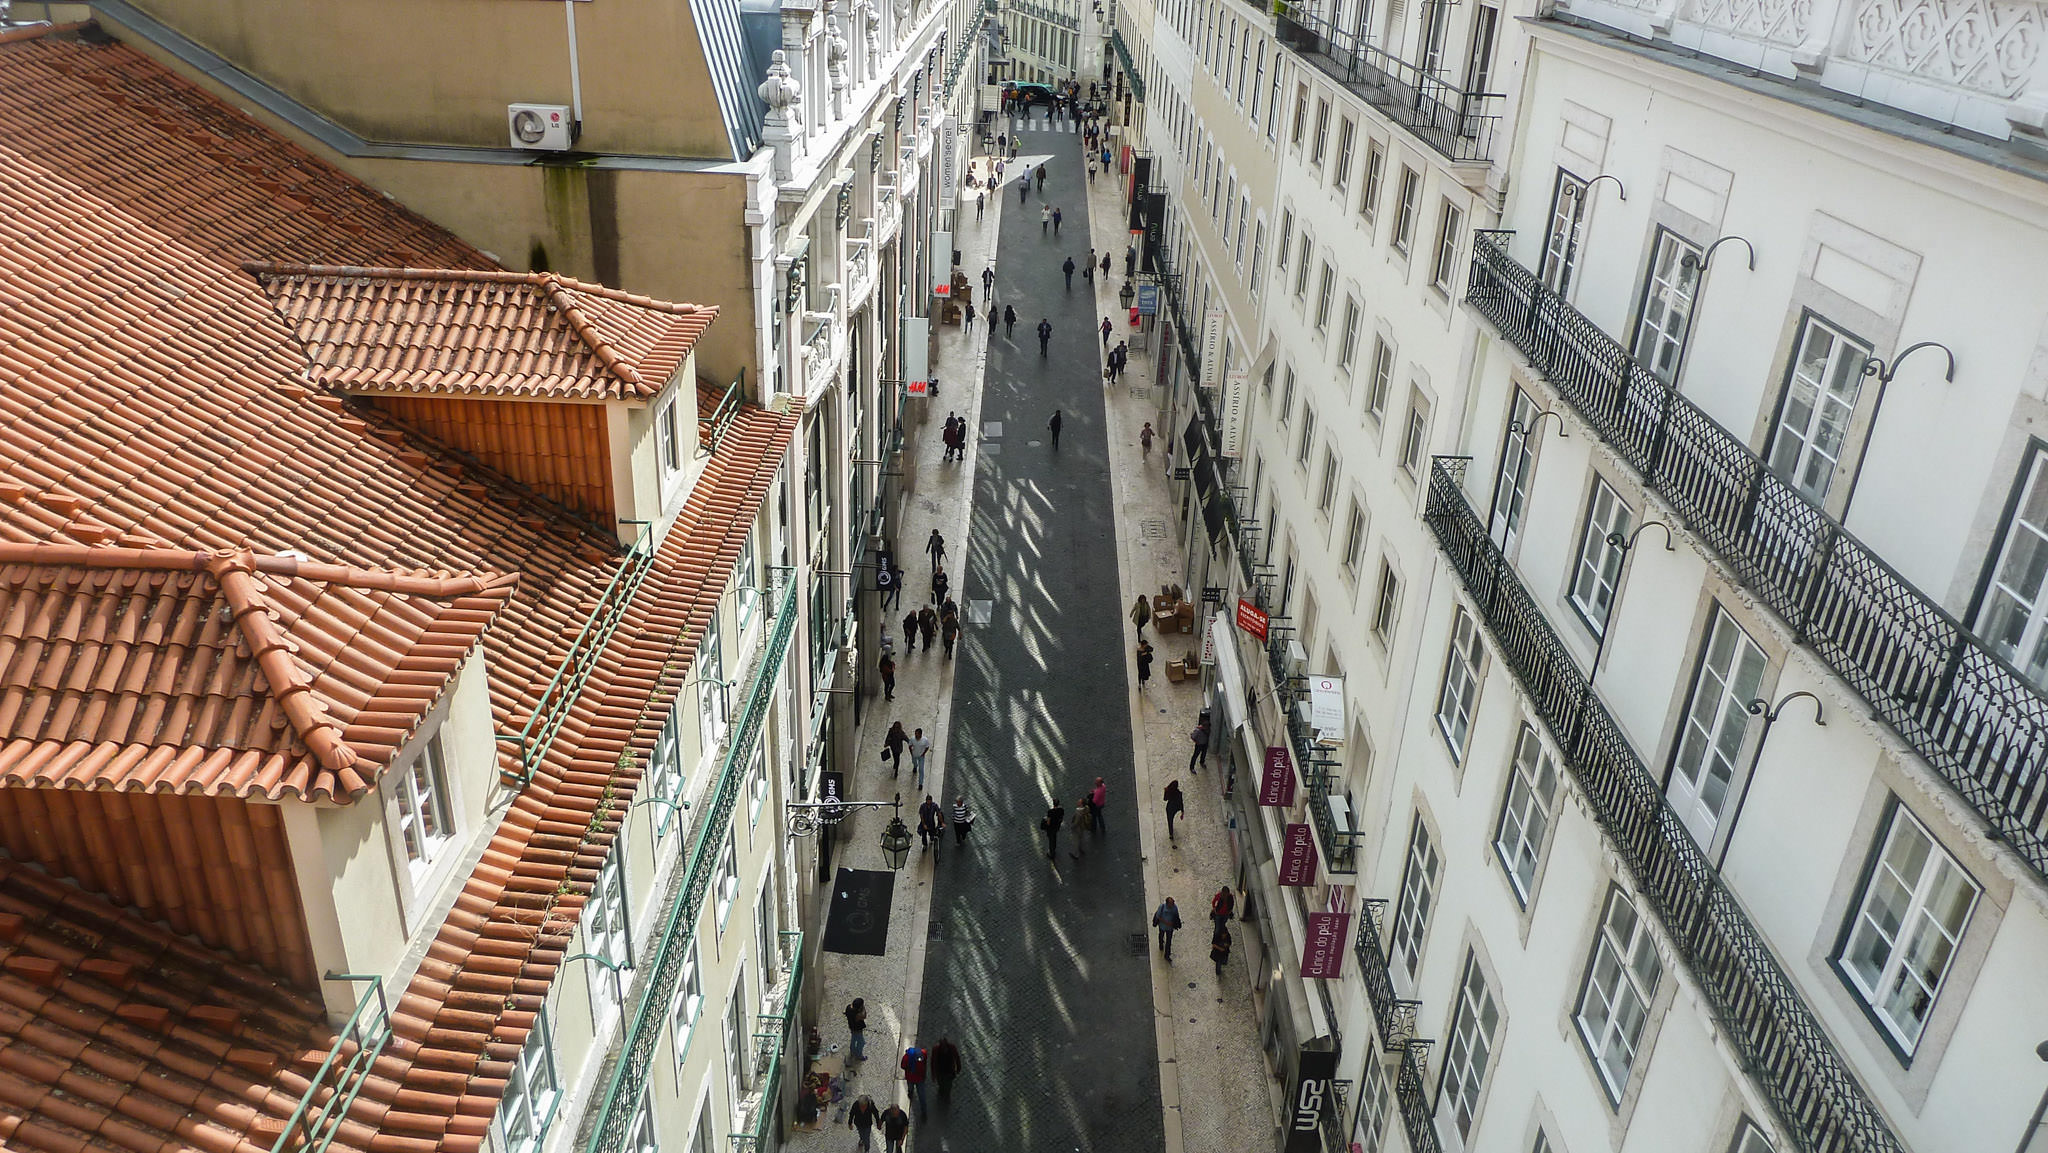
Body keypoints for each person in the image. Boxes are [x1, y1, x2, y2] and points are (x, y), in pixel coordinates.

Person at [900, 1044, 929, 1120]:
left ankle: (911, 1094)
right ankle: (924, 1112)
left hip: (913, 1078)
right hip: (917, 1078)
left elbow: (902, 1066)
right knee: (921, 1096)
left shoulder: (907, 1057)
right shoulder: (922, 1054)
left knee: (919, 1095)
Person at [931, 1038, 962, 1103]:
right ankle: (942, 1091)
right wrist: (933, 1074)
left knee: (948, 1085)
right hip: (940, 1071)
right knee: (941, 1083)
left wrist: (958, 1067)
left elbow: (957, 1057)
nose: (944, 1049)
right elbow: (932, 1062)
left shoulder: (952, 1048)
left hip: (949, 1071)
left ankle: (946, 1095)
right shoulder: (936, 1049)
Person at [1152, 896, 1183, 961]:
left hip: (1170, 928)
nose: (1173, 904)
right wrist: (1166, 922)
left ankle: (1167, 955)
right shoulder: (1162, 907)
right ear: (1167, 903)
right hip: (1162, 926)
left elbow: (1177, 916)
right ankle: (1161, 945)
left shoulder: (1175, 908)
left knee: (1169, 941)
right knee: (1161, 935)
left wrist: (1174, 924)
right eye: (1171, 903)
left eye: (1173, 902)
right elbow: (1158, 916)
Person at [1069, 791, 1093, 858]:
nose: (1077, 802)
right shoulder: (1086, 808)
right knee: (1082, 838)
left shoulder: (1078, 812)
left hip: (1078, 828)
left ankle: (1076, 854)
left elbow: (1076, 822)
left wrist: (1072, 826)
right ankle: (1081, 848)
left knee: (1076, 841)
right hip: (1083, 826)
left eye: (1079, 802)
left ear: (1081, 804)